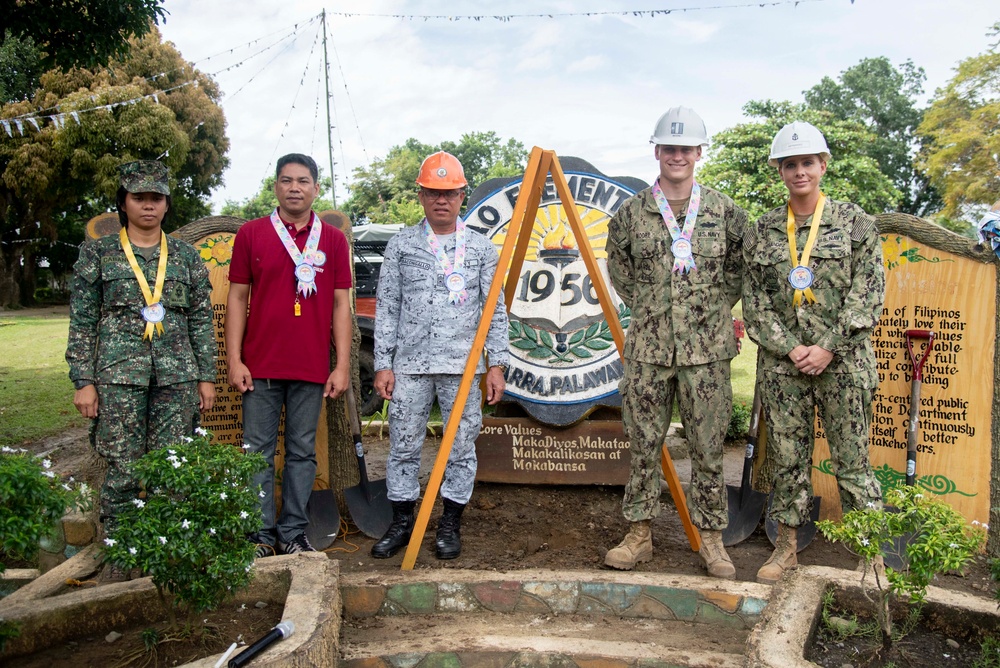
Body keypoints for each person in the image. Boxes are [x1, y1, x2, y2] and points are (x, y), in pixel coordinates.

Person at [605, 107, 747, 577]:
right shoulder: (630, 214)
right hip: (649, 349)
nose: (677, 156)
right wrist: (651, 308)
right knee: (643, 444)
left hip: (707, 353)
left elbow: (738, 272)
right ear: (657, 151)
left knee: (708, 448)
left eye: (686, 149)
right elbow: (620, 270)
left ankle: (711, 540)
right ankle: (639, 534)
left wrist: (710, 311)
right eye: (669, 148)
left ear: (699, 153)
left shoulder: (726, 212)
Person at [742, 121, 885, 584]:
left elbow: (869, 293)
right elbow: (755, 300)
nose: (799, 171)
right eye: (790, 164)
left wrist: (826, 347)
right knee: (787, 457)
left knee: (852, 461)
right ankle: (786, 548)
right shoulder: (764, 229)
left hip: (843, 364)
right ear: (779, 171)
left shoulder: (855, 222)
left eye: (807, 162)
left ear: (823, 165)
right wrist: (792, 348)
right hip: (785, 368)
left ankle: (872, 554)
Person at [66, 160, 217, 579]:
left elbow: (201, 321)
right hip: (118, 378)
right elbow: (81, 321)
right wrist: (84, 381)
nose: (148, 206)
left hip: (177, 377)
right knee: (124, 468)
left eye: (156, 198)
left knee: (173, 465)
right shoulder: (97, 254)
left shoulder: (186, 257)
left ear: (167, 204)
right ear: (124, 203)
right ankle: (121, 553)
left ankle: (168, 550)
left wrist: (207, 377)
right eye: (139, 198)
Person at [371, 151, 509, 560]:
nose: (441, 200)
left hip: (462, 368)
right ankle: (401, 523)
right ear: (421, 194)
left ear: (462, 195)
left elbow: (494, 311)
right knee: (402, 445)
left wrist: (496, 364)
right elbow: (387, 305)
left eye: (449, 192)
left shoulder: (482, 249)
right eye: (433, 192)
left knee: (461, 446)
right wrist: (382, 362)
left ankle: (450, 524)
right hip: (410, 366)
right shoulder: (401, 245)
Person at [225, 153, 352, 557]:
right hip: (259, 366)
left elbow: (339, 306)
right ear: (275, 187)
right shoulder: (251, 233)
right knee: (256, 451)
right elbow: (237, 298)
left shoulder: (333, 240)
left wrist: (342, 364)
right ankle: (259, 535)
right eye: (286, 180)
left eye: (302, 181)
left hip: (311, 367)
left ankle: (292, 532)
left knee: (301, 451)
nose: (294, 187)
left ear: (316, 188)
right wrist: (234, 359)